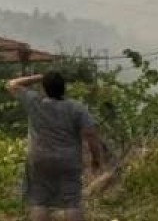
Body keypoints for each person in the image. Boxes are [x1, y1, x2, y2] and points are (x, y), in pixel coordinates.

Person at [7, 71, 105, 221]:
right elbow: (91, 134)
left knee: (39, 200)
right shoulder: (76, 108)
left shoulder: (34, 102)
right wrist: (96, 159)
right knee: (72, 202)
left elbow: (12, 84)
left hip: (39, 158)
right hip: (68, 160)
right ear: (64, 88)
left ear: (45, 88)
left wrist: (39, 77)